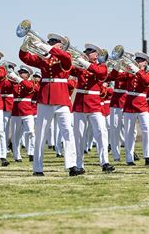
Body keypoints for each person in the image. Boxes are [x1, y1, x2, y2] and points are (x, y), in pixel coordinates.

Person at [19, 32, 79, 176]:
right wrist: (24, 46)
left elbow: (64, 58)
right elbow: (25, 58)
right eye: (49, 42)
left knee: (68, 132)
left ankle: (71, 165)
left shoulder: (66, 57)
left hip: (62, 99)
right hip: (45, 99)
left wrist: (43, 46)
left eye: (53, 42)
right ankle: (37, 168)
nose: (50, 44)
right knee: (40, 134)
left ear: (60, 45)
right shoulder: (44, 59)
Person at [70, 44, 114, 173]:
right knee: (79, 136)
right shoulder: (80, 67)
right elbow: (68, 68)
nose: (87, 53)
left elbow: (101, 74)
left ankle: (105, 162)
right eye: (86, 52)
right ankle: (79, 164)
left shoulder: (102, 66)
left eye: (90, 52)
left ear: (96, 55)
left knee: (101, 133)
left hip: (94, 104)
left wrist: (84, 62)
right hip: (80, 104)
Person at [113, 52, 149, 166]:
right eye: (136, 60)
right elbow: (113, 77)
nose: (137, 62)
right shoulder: (129, 74)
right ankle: (129, 158)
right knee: (129, 132)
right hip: (129, 105)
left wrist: (138, 70)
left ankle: (148, 156)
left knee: (147, 129)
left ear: (146, 63)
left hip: (142, 104)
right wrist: (118, 65)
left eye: (140, 60)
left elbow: (147, 81)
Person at [8, 65, 37, 162]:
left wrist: (16, 78)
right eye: (20, 72)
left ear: (28, 74)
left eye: (23, 72)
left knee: (31, 132)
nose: (20, 74)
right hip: (16, 111)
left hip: (27, 111)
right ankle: (17, 156)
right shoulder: (15, 83)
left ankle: (32, 153)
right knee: (16, 135)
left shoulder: (31, 83)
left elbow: (29, 88)